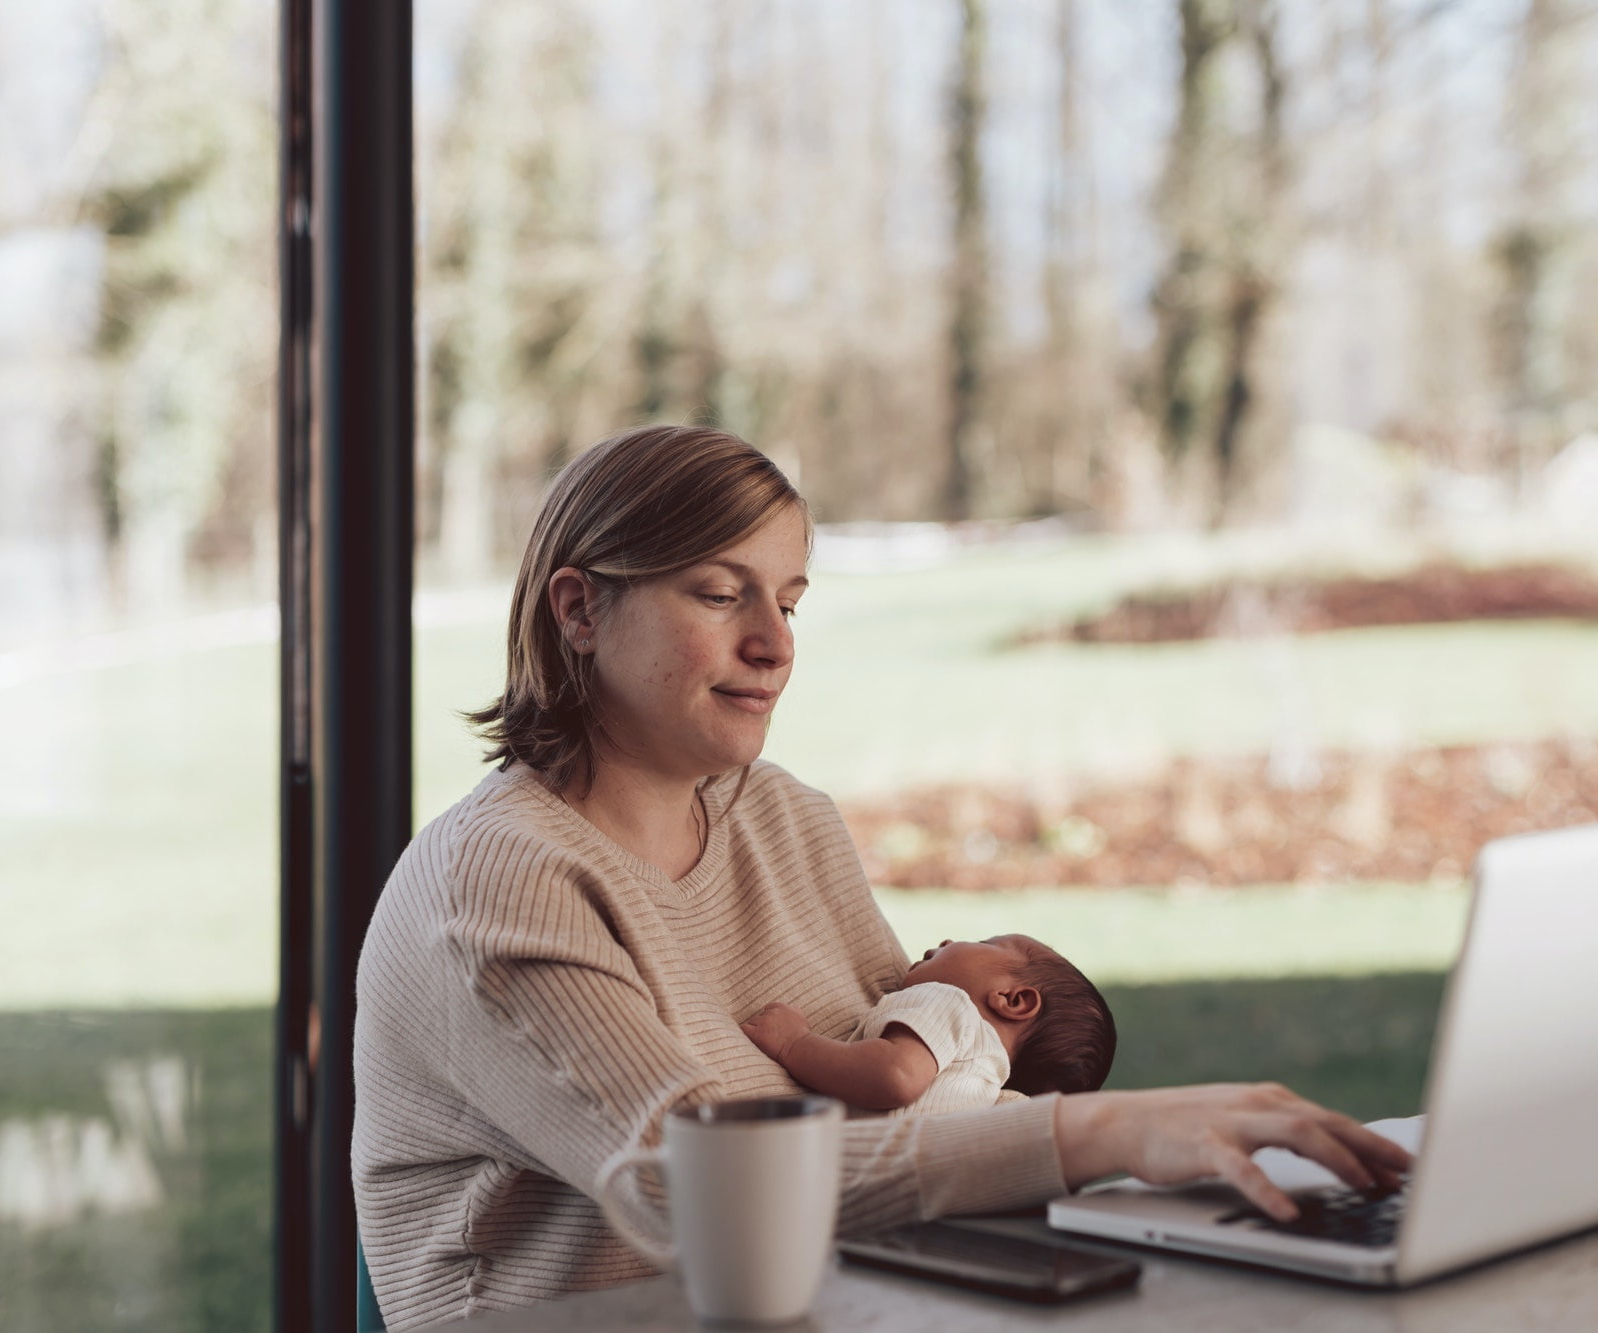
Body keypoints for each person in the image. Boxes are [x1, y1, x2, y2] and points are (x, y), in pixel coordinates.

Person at [352, 425, 1412, 1329]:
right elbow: (713, 1195)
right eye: (719, 594)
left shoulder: (784, 818)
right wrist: (1105, 1131)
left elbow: (912, 1113)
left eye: (789, 602)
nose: (771, 644)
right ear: (578, 610)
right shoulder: (495, 888)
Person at [741, 933, 1116, 1114]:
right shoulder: (996, 1102)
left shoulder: (948, 1002)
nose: (949, 938)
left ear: (1013, 1000)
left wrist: (794, 1043)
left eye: (984, 942)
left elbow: (894, 1077)